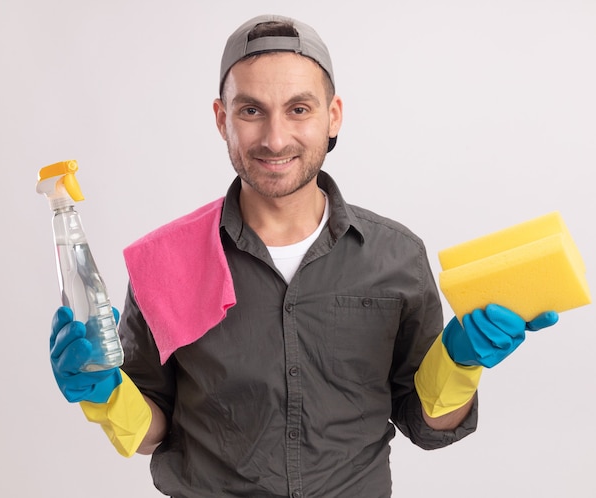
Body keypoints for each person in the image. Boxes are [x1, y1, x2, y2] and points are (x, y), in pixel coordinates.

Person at [49, 14, 559, 497]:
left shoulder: (397, 256)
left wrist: (461, 363)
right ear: (222, 118)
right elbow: (152, 432)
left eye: (299, 108)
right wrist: (104, 392)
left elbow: (424, 424)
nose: (275, 138)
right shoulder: (169, 260)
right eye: (251, 110)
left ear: (332, 116)